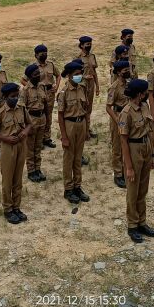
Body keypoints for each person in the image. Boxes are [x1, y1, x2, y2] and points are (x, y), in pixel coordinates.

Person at [118, 78, 154, 243]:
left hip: (146, 147)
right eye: (145, 92)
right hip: (133, 149)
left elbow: (149, 131)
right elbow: (123, 141)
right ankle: (132, 225)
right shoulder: (126, 112)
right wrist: (128, 167)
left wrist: (153, 155)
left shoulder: (144, 106)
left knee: (143, 189)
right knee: (133, 191)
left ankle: (142, 222)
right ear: (140, 94)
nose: (147, 95)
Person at [0, 83, 33, 224]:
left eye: (17, 96)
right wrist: (5, 138)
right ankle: (8, 209)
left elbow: (29, 124)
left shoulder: (22, 109)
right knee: (7, 180)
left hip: (21, 145)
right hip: (8, 147)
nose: (15, 98)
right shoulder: (0, 113)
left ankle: (16, 207)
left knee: (18, 179)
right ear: (5, 97)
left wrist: (25, 132)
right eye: (12, 96)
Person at [57, 62, 89, 204]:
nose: (79, 76)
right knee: (68, 159)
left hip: (81, 124)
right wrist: (64, 136)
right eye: (76, 74)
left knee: (78, 158)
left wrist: (86, 128)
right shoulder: (63, 93)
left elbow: (85, 109)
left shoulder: (82, 88)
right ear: (69, 76)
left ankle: (77, 186)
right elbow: (60, 116)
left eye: (80, 73)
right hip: (69, 124)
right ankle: (68, 189)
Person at [22, 63, 49, 183]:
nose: (38, 75)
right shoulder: (25, 90)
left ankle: (38, 169)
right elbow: (22, 109)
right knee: (30, 147)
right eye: (35, 74)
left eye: (38, 73)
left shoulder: (42, 86)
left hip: (42, 118)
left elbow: (46, 104)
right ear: (29, 76)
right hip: (31, 120)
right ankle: (31, 171)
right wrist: (26, 126)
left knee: (38, 146)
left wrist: (47, 119)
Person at [107, 60, 131, 188]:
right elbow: (108, 107)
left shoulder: (128, 84)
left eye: (128, 69)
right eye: (125, 70)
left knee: (126, 145)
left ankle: (125, 169)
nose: (128, 72)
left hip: (128, 118)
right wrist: (117, 121)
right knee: (117, 147)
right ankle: (117, 174)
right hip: (118, 116)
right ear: (119, 72)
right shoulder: (114, 87)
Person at [30, 44, 60, 148]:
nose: (44, 55)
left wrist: (56, 87)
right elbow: (23, 80)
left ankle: (47, 138)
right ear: (36, 55)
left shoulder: (51, 65)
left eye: (45, 53)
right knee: (40, 116)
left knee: (48, 116)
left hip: (50, 93)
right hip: (39, 95)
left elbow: (58, 75)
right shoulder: (33, 67)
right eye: (41, 53)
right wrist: (34, 90)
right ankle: (39, 140)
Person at [77, 36, 99, 140]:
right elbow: (74, 75)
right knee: (82, 108)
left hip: (91, 85)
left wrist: (97, 86)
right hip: (82, 86)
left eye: (90, 44)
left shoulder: (92, 56)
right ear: (81, 45)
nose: (89, 46)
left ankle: (87, 129)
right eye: (87, 44)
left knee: (89, 108)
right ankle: (83, 131)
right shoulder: (78, 58)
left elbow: (94, 72)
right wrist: (84, 77)